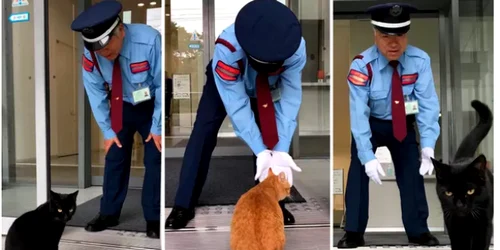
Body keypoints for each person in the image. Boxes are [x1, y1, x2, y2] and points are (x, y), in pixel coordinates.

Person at [166, 0, 306, 229]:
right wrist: (260, 150)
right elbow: (238, 106)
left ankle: (274, 203)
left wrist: (279, 149)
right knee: (203, 133)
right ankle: (183, 204)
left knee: (272, 136)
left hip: (268, 87)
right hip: (226, 84)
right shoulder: (227, 49)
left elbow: (290, 101)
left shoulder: (294, 47)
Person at [337, 3, 441, 248]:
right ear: (375, 34)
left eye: (400, 35)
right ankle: (353, 231)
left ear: (406, 35)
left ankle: (418, 231)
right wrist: (366, 155)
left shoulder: (420, 61)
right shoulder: (362, 66)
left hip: (402, 123)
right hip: (371, 124)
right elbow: (358, 114)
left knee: (411, 172)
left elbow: (427, 105)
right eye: (386, 36)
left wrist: (428, 146)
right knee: (359, 171)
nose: (394, 43)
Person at [70, 1, 161, 239]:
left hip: (150, 105)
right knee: (114, 157)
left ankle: (153, 217)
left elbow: (161, 85)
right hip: (121, 105)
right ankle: (108, 213)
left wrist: (158, 125)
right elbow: (95, 92)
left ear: (120, 30)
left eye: (107, 49)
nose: (104, 55)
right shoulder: (91, 54)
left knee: (154, 158)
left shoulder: (149, 40)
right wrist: (107, 131)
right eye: (99, 52)